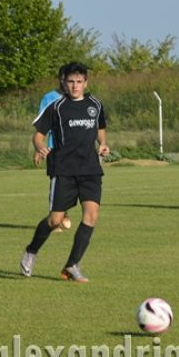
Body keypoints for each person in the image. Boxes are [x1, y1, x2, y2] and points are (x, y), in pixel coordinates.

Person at [21, 62, 110, 283]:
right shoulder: (57, 107)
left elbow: (100, 129)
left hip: (90, 170)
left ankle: (72, 265)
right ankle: (31, 251)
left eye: (79, 82)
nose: (75, 86)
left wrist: (103, 144)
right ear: (64, 82)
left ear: (86, 82)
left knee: (91, 215)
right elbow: (38, 135)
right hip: (64, 171)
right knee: (55, 220)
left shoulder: (95, 105)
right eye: (71, 81)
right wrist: (39, 147)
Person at [38, 66, 71, 232]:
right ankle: (56, 217)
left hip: (73, 150)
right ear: (61, 79)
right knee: (56, 183)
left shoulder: (77, 98)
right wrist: (39, 147)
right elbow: (41, 126)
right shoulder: (49, 98)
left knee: (71, 183)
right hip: (54, 149)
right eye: (68, 80)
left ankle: (64, 212)